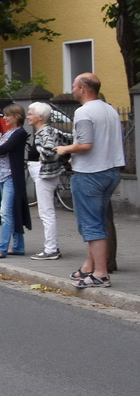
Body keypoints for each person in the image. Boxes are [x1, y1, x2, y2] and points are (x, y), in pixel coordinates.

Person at [56, 71, 123, 287]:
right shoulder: (110, 110)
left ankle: (101, 274)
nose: (72, 90)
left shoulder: (84, 112)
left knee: (91, 224)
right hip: (111, 171)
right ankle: (89, 266)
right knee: (99, 219)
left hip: (90, 174)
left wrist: (64, 148)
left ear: (83, 88)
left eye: (74, 86)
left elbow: (85, 144)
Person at [25, 101, 70, 261]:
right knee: (46, 211)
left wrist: (43, 156)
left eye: (30, 114)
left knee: (46, 212)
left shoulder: (44, 132)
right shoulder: (47, 130)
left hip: (45, 174)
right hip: (46, 173)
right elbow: (67, 139)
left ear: (40, 117)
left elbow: (51, 150)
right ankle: (52, 247)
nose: (28, 116)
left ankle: (51, 249)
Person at [0, 104, 31, 258]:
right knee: (12, 211)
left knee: (5, 212)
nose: (4, 118)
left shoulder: (19, 133)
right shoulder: (9, 133)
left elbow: (1, 150)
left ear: (16, 117)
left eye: (7, 115)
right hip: (2, 176)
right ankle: (18, 246)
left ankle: (2, 248)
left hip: (11, 177)